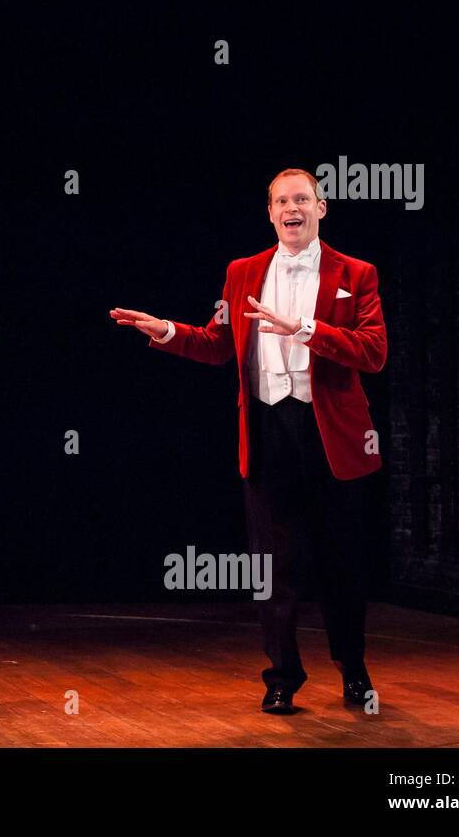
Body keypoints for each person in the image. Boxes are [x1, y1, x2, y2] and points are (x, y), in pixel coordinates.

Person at [111, 168, 386, 714]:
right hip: (266, 431)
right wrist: (164, 330)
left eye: (302, 199)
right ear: (269, 212)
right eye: (282, 200)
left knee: (340, 564)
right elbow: (220, 344)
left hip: (332, 437)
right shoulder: (242, 272)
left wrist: (304, 330)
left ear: (321, 208)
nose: (292, 208)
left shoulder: (356, 273)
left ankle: (353, 671)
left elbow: (374, 351)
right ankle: (282, 676)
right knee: (272, 568)